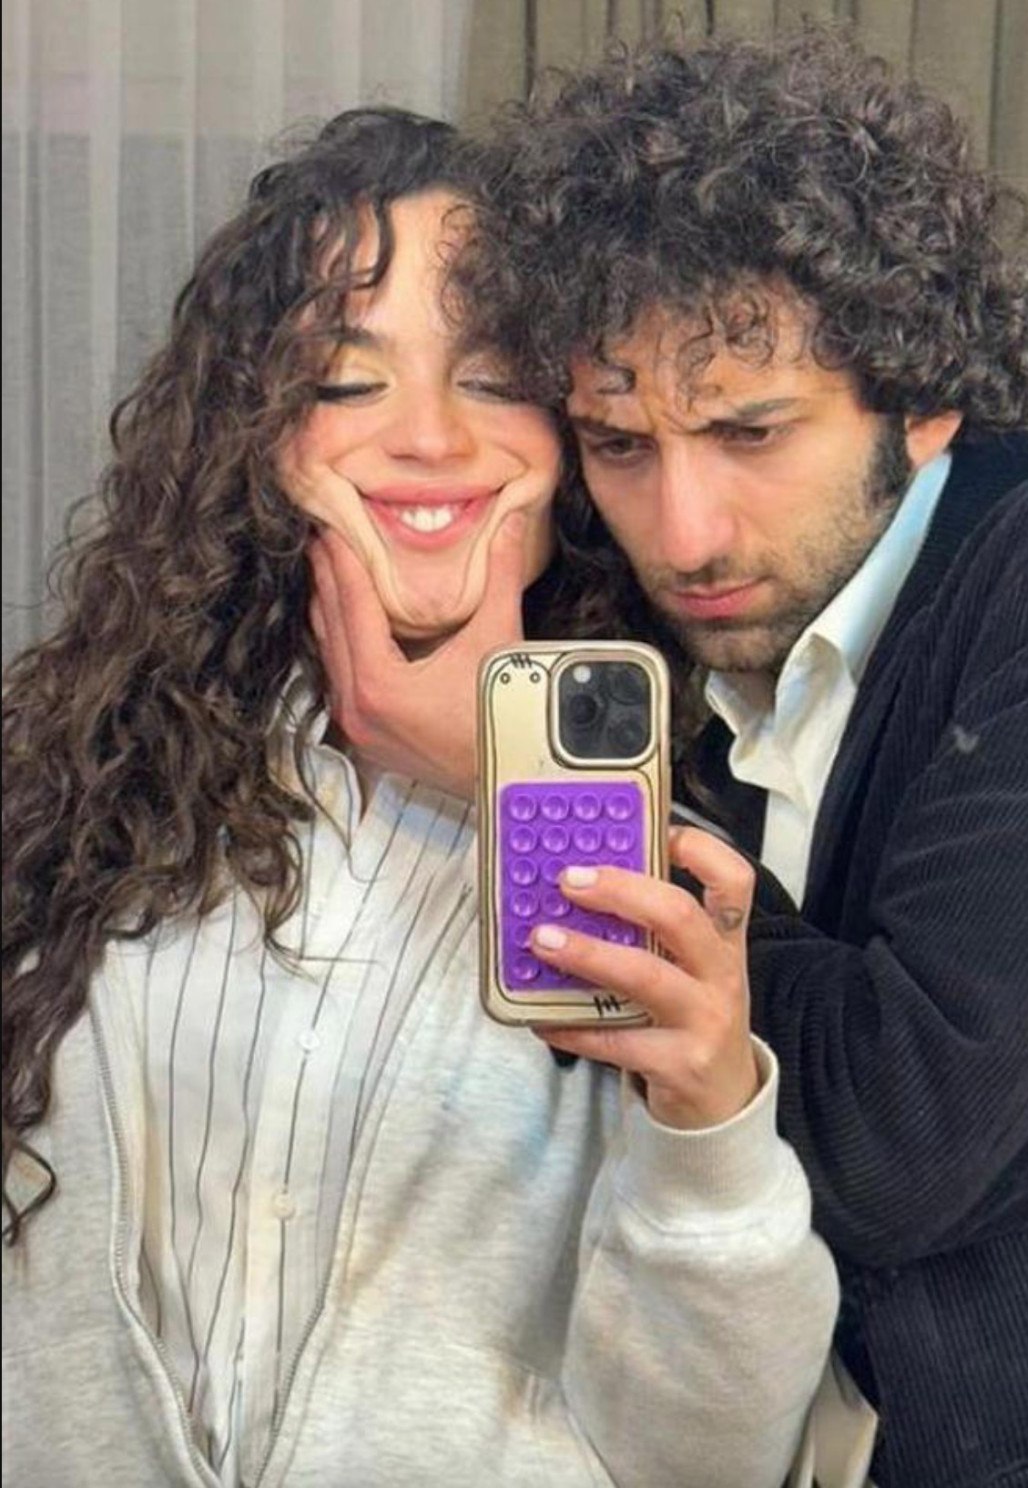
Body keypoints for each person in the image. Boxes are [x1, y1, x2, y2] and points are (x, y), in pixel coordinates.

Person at [309, 29, 1028, 1488]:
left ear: (924, 395)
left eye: (753, 432)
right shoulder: (627, 656)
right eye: (620, 443)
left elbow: (903, 1133)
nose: (687, 533)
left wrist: (521, 785)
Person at [0, 106, 839, 1488]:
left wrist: (708, 1121)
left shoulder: (668, 840)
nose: (431, 439)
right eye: (345, 379)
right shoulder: (80, 790)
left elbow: (708, 1457)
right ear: (257, 433)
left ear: (575, 436)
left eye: (496, 375)